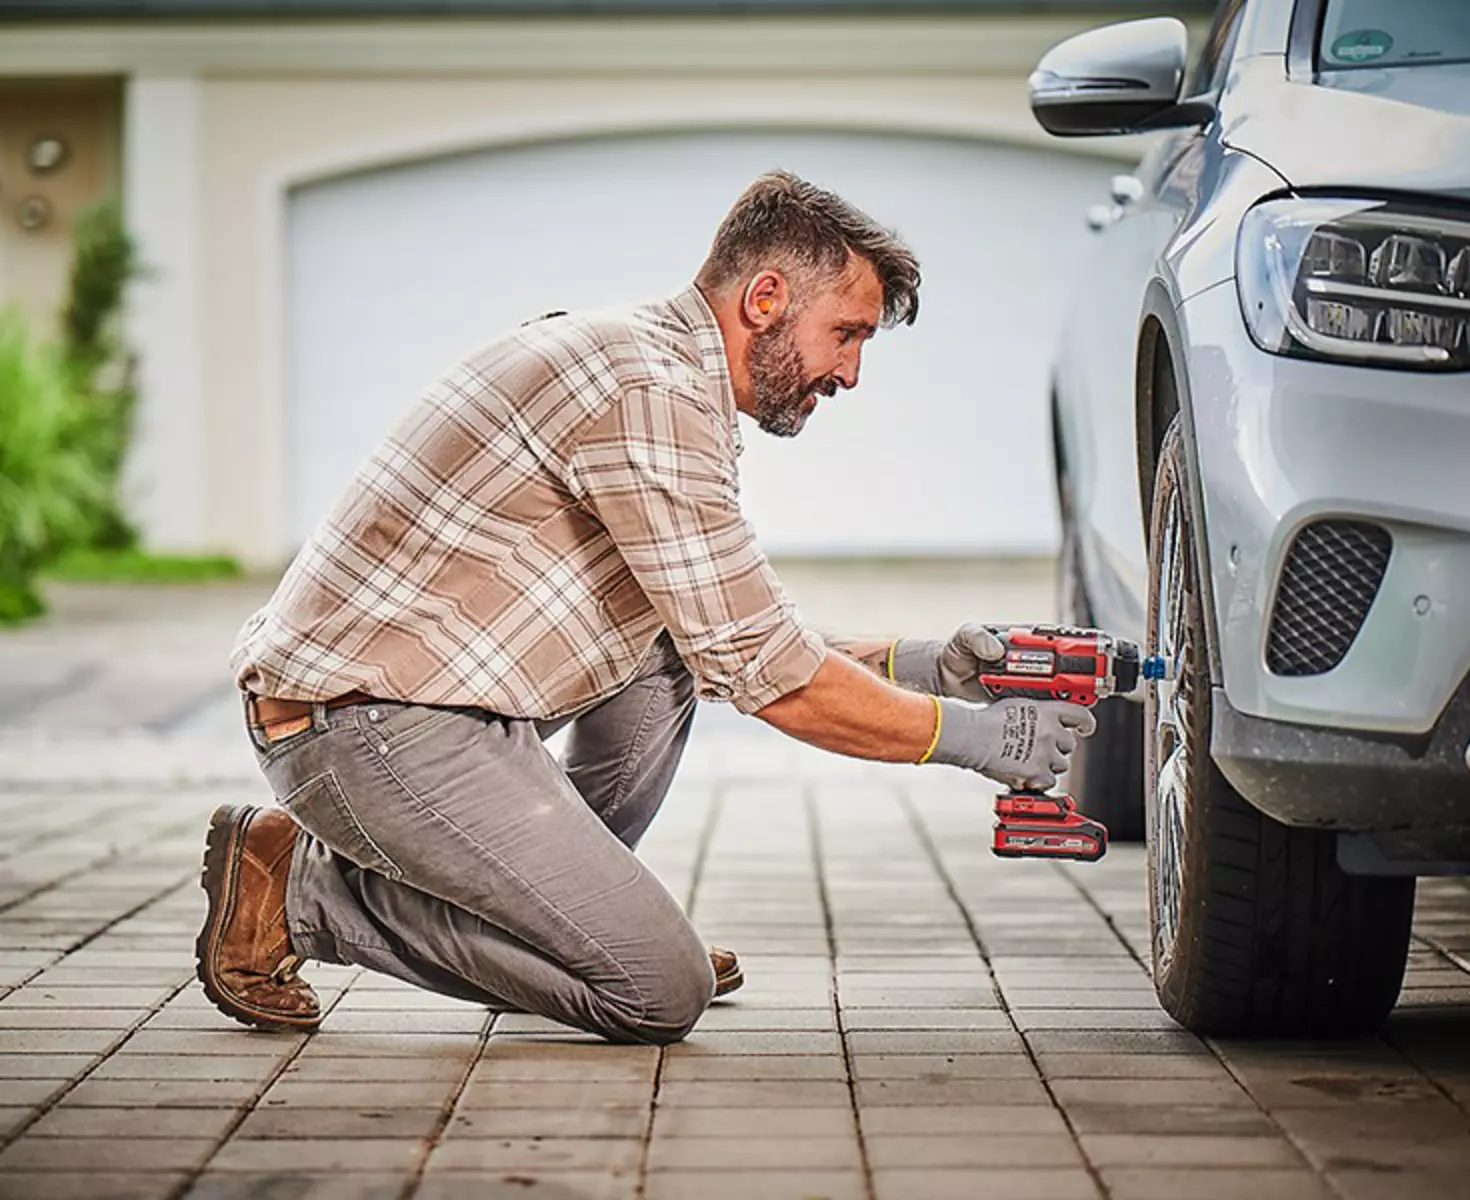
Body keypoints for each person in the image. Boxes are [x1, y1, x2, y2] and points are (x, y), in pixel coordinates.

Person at [196, 170, 1095, 1045]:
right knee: (659, 990)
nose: (851, 372)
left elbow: (725, 626)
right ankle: (300, 895)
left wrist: (925, 665)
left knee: (666, 654)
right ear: (766, 298)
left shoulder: (650, 364)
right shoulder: (650, 393)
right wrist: (969, 738)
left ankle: (581, 930)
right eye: (846, 334)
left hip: (416, 711)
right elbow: (767, 672)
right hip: (362, 727)